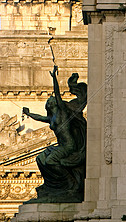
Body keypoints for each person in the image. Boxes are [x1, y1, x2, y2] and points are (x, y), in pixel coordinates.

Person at [22, 66, 87, 203]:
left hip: (69, 145)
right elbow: (40, 117)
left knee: (51, 161)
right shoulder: (51, 118)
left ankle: (71, 184)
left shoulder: (62, 112)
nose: (50, 100)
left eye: (52, 100)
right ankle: (53, 185)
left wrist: (54, 79)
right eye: (49, 100)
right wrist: (28, 114)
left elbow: (57, 94)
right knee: (40, 158)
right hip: (60, 145)